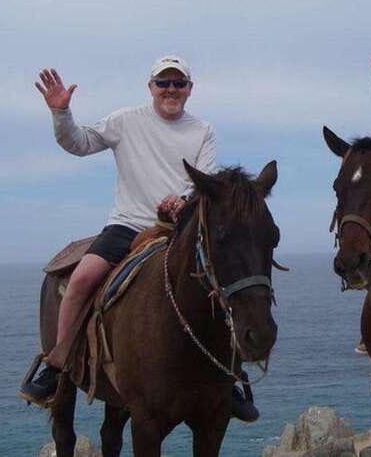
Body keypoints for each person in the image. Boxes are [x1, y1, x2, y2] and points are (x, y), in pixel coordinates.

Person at [19, 55, 259, 420]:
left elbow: (207, 179)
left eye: (178, 83)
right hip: (129, 224)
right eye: (163, 83)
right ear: (151, 87)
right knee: (82, 279)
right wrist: (61, 114)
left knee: (225, 282)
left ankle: (231, 376)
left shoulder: (203, 130)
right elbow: (79, 143)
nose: (171, 90)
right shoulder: (125, 121)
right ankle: (58, 363)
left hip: (181, 227)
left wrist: (184, 201)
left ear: (189, 90)